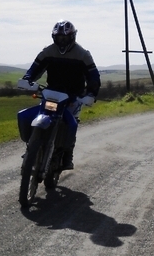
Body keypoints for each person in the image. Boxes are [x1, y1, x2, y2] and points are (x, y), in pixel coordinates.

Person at [22, 20, 101, 170]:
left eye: (64, 38)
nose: (61, 41)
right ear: (54, 37)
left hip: (73, 96)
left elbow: (93, 76)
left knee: (71, 122)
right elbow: (35, 67)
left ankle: (67, 155)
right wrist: (27, 79)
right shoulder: (48, 51)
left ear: (72, 37)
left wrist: (91, 93)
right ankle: (33, 145)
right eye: (59, 38)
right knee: (35, 113)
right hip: (52, 92)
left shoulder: (83, 54)